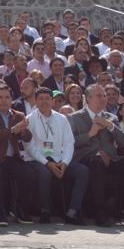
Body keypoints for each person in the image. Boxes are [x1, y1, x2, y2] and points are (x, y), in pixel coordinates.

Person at [67, 83, 124, 227]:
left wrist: (110, 126)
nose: (103, 98)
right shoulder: (74, 118)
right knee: (97, 163)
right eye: (99, 95)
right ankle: (100, 212)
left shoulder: (111, 118)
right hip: (87, 159)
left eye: (104, 95)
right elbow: (70, 143)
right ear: (88, 98)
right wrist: (90, 134)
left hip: (111, 159)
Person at [25, 87, 89, 224]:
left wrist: (65, 163)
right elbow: (29, 146)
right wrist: (47, 163)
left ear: (53, 101)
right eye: (41, 99)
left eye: (47, 99)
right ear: (35, 101)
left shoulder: (62, 119)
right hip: (39, 160)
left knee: (82, 171)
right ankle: (45, 211)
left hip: (59, 159)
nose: (44, 102)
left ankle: (72, 212)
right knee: (45, 173)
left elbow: (69, 143)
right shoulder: (29, 119)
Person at [0, 84, 34, 225]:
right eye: (0, 97)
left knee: (28, 173)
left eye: (7, 97)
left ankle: (21, 212)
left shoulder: (18, 115)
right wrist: (13, 130)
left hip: (12, 158)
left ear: (12, 99)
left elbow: (27, 138)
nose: (4, 100)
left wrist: (23, 130)